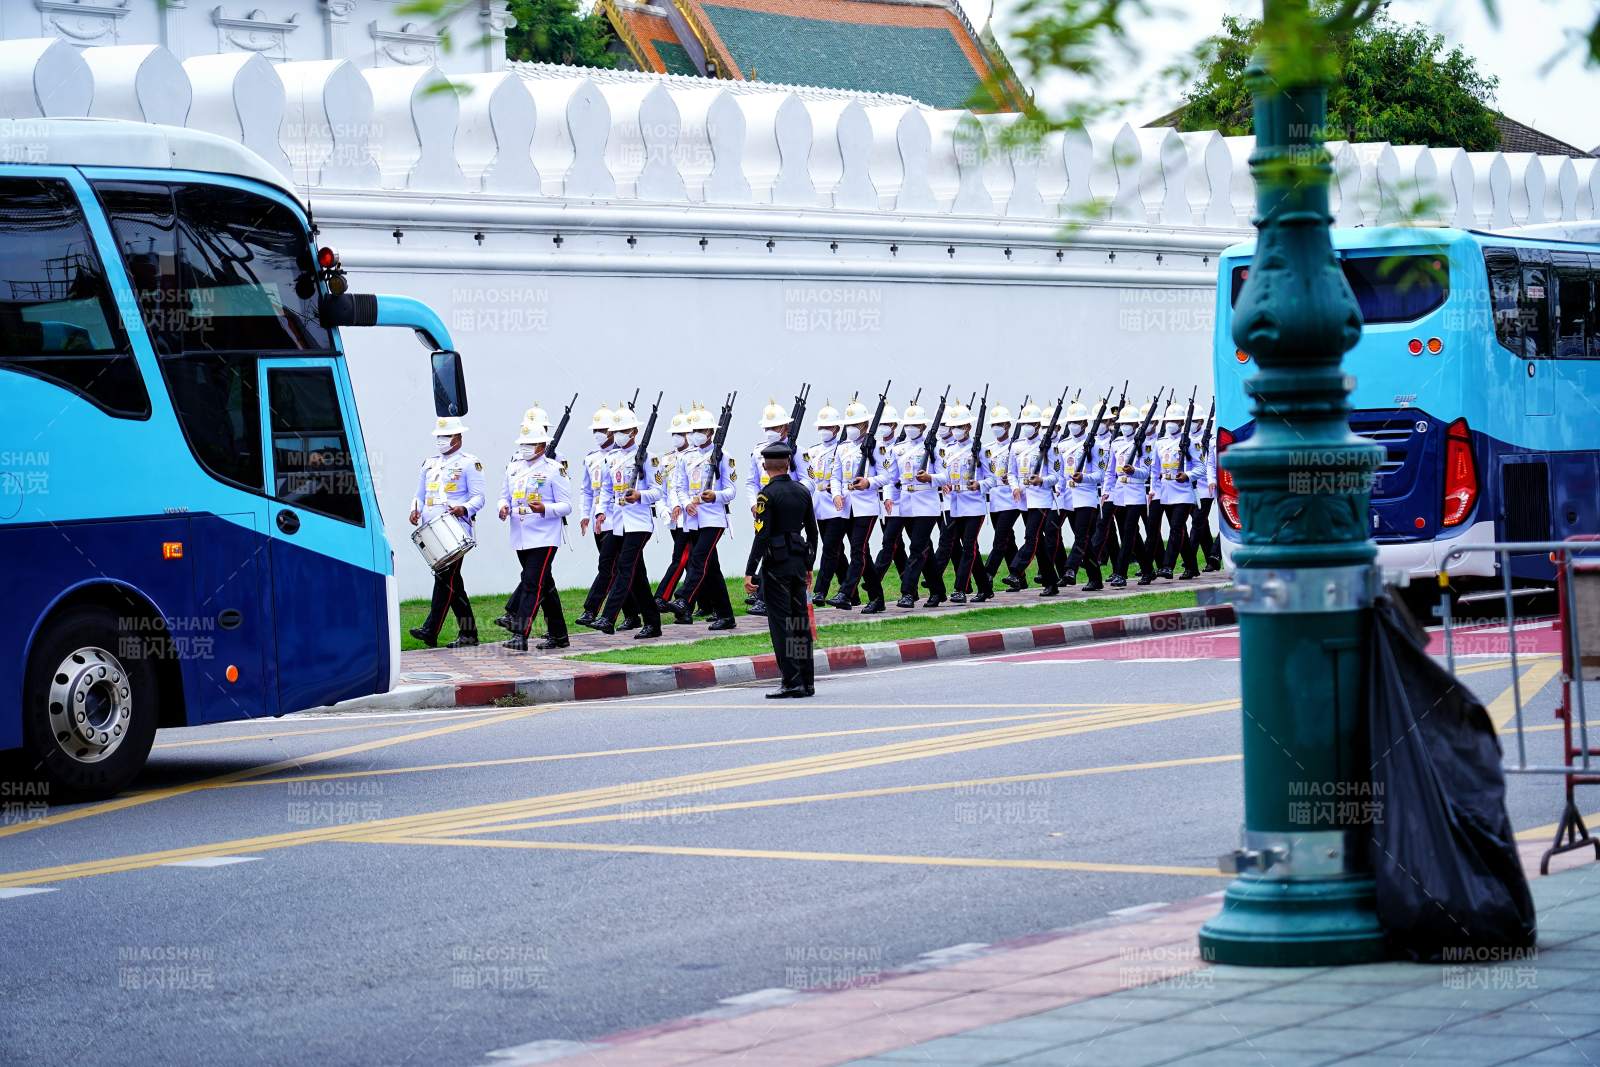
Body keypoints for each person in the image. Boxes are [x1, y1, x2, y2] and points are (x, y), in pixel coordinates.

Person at [745, 442, 818, 698]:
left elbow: (761, 535)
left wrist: (750, 570)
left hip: (775, 565)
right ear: (788, 463)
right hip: (798, 563)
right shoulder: (802, 491)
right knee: (799, 623)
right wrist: (809, 565)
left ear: (765, 466)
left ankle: (791, 681)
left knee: (780, 625)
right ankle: (807, 680)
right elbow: (813, 532)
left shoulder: (766, 495)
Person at [586, 404, 664, 638]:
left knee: (625, 568)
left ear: (634, 432)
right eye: (616, 431)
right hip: (618, 522)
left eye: (623, 430)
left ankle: (608, 618)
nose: (618, 435)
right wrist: (600, 511)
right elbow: (606, 490)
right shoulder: (611, 458)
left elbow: (659, 491)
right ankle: (653, 623)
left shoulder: (649, 458)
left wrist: (640, 495)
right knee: (630, 572)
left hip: (639, 523)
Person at [408, 415, 484, 648]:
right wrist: (414, 509)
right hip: (432, 529)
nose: (441, 440)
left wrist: (464, 508)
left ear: (458, 437)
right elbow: (419, 495)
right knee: (453, 582)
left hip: (455, 528)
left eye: (446, 436)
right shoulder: (429, 463)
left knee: (445, 578)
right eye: (439, 436)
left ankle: (431, 630)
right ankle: (469, 633)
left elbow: (479, 497)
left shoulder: (469, 463)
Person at [497, 422, 572, 651]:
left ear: (542, 445)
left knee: (531, 583)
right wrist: (502, 507)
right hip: (520, 533)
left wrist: (545, 509)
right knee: (544, 585)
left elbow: (566, 506)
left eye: (530, 444)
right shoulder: (513, 468)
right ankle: (559, 636)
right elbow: (504, 496)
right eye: (523, 444)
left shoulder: (553, 469)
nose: (525, 448)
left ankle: (520, 633)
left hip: (544, 535)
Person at [666, 403, 738, 630]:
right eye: (693, 430)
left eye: (701, 430)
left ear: (710, 432)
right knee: (712, 569)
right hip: (693, 518)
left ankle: (683, 599)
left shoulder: (723, 456)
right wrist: (687, 503)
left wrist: (714, 495)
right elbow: (679, 486)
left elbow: (731, 490)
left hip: (714, 518)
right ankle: (726, 616)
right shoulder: (685, 458)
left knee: (698, 559)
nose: (696, 434)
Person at [575, 406, 641, 631]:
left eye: (603, 429)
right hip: (600, 518)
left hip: (620, 518)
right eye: (597, 430)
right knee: (627, 570)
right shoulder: (592, 458)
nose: (599, 433)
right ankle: (634, 615)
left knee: (613, 567)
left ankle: (593, 610)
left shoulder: (624, 457)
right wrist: (587, 514)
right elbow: (587, 490)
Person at [831, 399, 892, 613]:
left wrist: (869, 482)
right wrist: (836, 494)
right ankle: (877, 598)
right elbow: (835, 476)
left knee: (858, 549)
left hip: (866, 506)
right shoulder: (843, 448)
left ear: (865, 425)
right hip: (847, 507)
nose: (851, 429)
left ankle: (845, 593)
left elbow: (887, 476)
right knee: (861, 551)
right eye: (849, 424)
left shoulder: (876, 447)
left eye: (855, 424)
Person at [890, 403, 947, 608]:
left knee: (916, 547)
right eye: (908, 425)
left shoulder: (934, 447)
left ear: (923, 427)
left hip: (926, 503)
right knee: (925, 549)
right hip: (906, 503)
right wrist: (891, 499)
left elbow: (945, 476)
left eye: (915, 425)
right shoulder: (899, 449)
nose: (910, 428)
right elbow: (892, 478)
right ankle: (938, 591)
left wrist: (930, 477)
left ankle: (907, 592)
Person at [940, 404, 996, 603]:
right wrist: (939, 482)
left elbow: (992, 479)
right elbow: (946, 475)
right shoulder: (948, 450)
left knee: (968, 547)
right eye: (953, 427)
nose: (956, 430)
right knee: (969, 548)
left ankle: (959, 589)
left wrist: (978, 484)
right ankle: (985, 588)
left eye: (960, 426)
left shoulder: (981, 450)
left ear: (968, 427)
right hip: (955, 504)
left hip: (974, 505)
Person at [1004, 402, 1060, 596]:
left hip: (1041, 498)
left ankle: (1015, 571)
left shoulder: (1048, 446)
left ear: (1037, 425)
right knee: (1040, 544)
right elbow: (1011, 472)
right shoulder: (1017, 446)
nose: (1027, 427)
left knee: (1030, 536)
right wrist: (1014, 487)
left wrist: (1042, 480)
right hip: (1024, 499)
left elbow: (1056, 476)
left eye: (1031, 423)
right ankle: (1051, 583)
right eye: (1024, 423)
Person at [744, 400, 793, 617]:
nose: (770, 431)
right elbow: (750, 482)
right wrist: (754, 503)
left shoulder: (795, 449)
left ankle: (766, 596)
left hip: (786, 508)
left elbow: (806, 480)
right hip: (764, 506)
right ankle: (764, 594)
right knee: (765, 549)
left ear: (785, 428)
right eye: (767, 428)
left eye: (774, 427)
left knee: (781, 552)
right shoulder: (758, 451)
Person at [1057, 401, 1107, 591]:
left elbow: (1100, 475)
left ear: (1085, 423)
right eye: (1071, 422)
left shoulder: (1097, 446)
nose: (1073, 425)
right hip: (1069, 498)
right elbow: (1060, 472)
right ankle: (1096, 579)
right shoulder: (1063, 446)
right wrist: (1059, 490)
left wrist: (1084, 478)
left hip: (1086, 497)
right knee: (1085, 542)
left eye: (1077, 421)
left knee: (1081, 536)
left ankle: (1070, 569)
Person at [803, 403, 849, 606]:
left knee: (830, 548)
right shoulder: (813, 451)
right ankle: (851, 591)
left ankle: (820, 591)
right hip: (819, 504)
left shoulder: (844, 449)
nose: (824, 431)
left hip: (837, 504)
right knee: (836, 551)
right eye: (821, 427)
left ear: (837, 429)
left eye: (828, 427)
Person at [1106, 404, 1155, 588]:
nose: (1125, 426)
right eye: (1123, 423)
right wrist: (1107, 492)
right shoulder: (1116, 443)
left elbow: (1146, 472)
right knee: (1131, 534)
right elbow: (1110, 472)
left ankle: (1120, 573)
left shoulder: (1145, 444)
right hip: (1119, 493)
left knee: (1127, 534)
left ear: (1136, 424)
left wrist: (1134, 471)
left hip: (1135, 493)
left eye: (1129, 423)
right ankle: (1147, 570)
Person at [1153, 401, 1203, 579]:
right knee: (1180, 531)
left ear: (1182, 423)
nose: (1170, 424)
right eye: (1168, 421)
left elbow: (1201, 468)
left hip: (1183, 492)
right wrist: (1154, 490)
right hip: (1166, 492)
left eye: (1174, 420)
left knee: (1176, 528)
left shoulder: (1190, 442)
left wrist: (1188, 475)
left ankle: (1167, 566)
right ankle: (1192, 567)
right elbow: (1155, 469)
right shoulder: (1160, 443)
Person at [654, 410, 696, 616]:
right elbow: (661, 491)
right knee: (693, 564)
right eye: (674, 434)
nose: (677, 437)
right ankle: (693, 606)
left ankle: (662, 597)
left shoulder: (696, 458)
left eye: (681, 433)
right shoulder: (666, 460)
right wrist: (664, 512)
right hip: (673, 519)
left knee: (681, 558)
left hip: (690, 517)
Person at [982, 404, 1022, 588]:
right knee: (1008, 539)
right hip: (995, 498)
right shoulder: (987, 449)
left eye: (1000, 424)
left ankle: (987, 575)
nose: (996, 428)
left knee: (1000, 538)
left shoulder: (1016, 447)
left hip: (1011, 498)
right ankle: (1020, 580)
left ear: (1007, 425)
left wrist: (1014, 478)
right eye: (993, 424)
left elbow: (1023, 470)